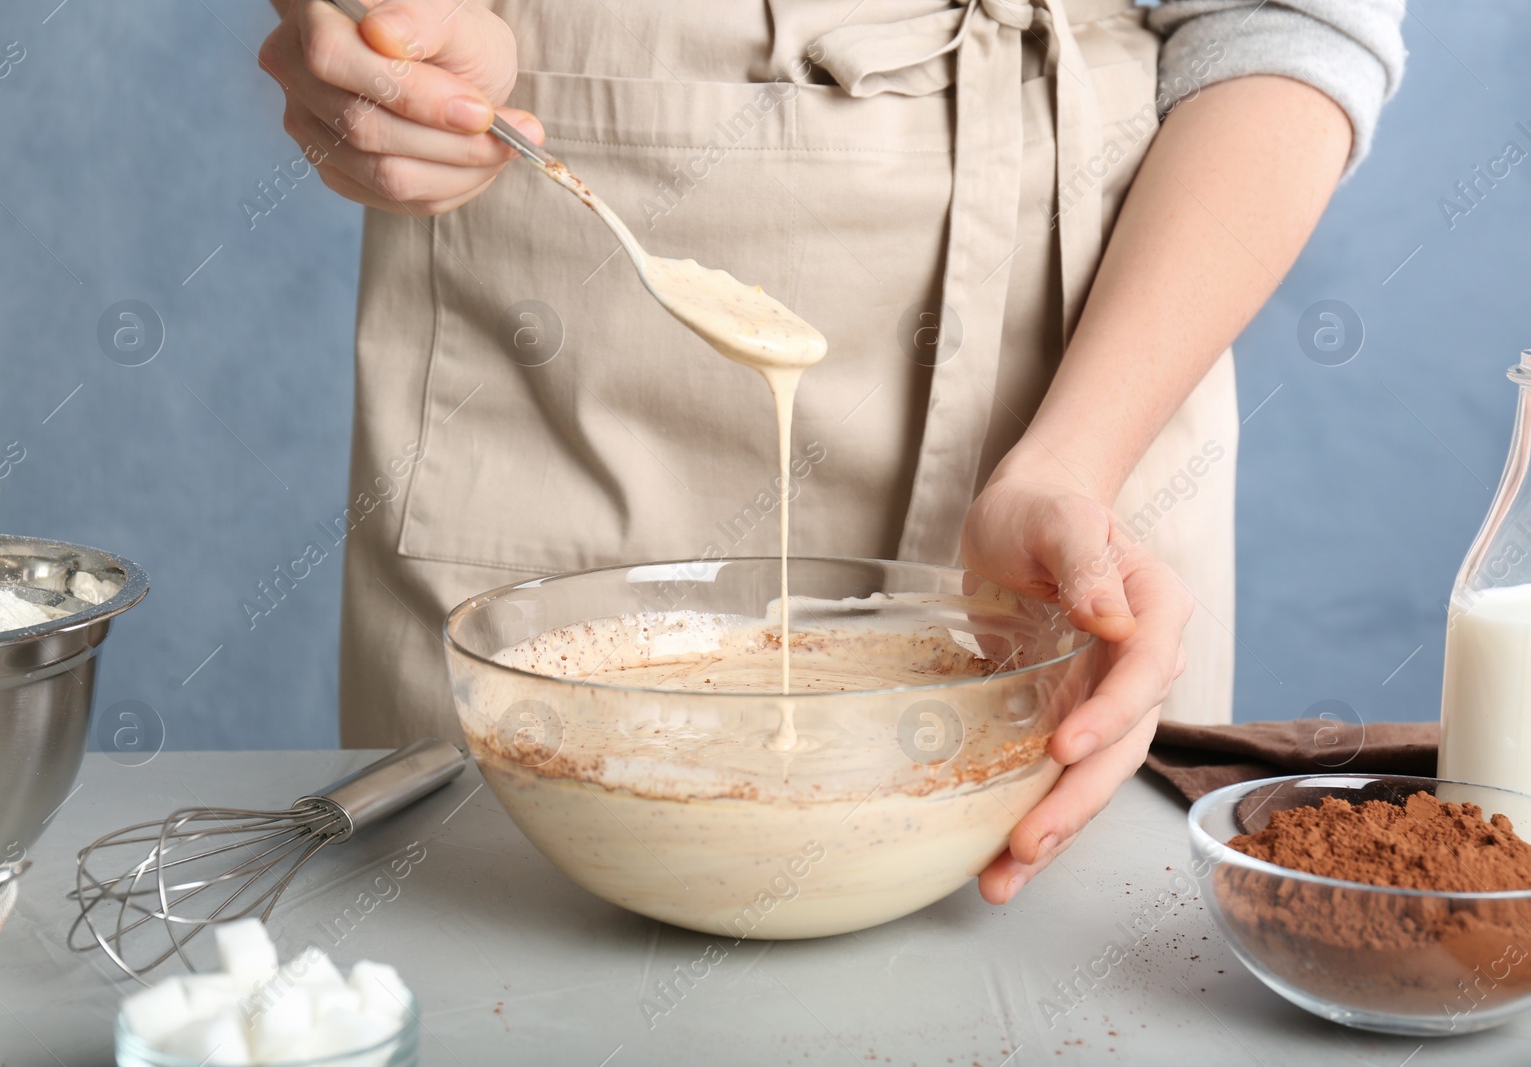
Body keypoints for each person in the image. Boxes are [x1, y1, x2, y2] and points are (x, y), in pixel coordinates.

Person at [257, 0, 1404, 903]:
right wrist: (382, 34)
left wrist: (1073, 459)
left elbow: (1293, 18)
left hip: (1097, 366)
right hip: (570, 310)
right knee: (496, 947)